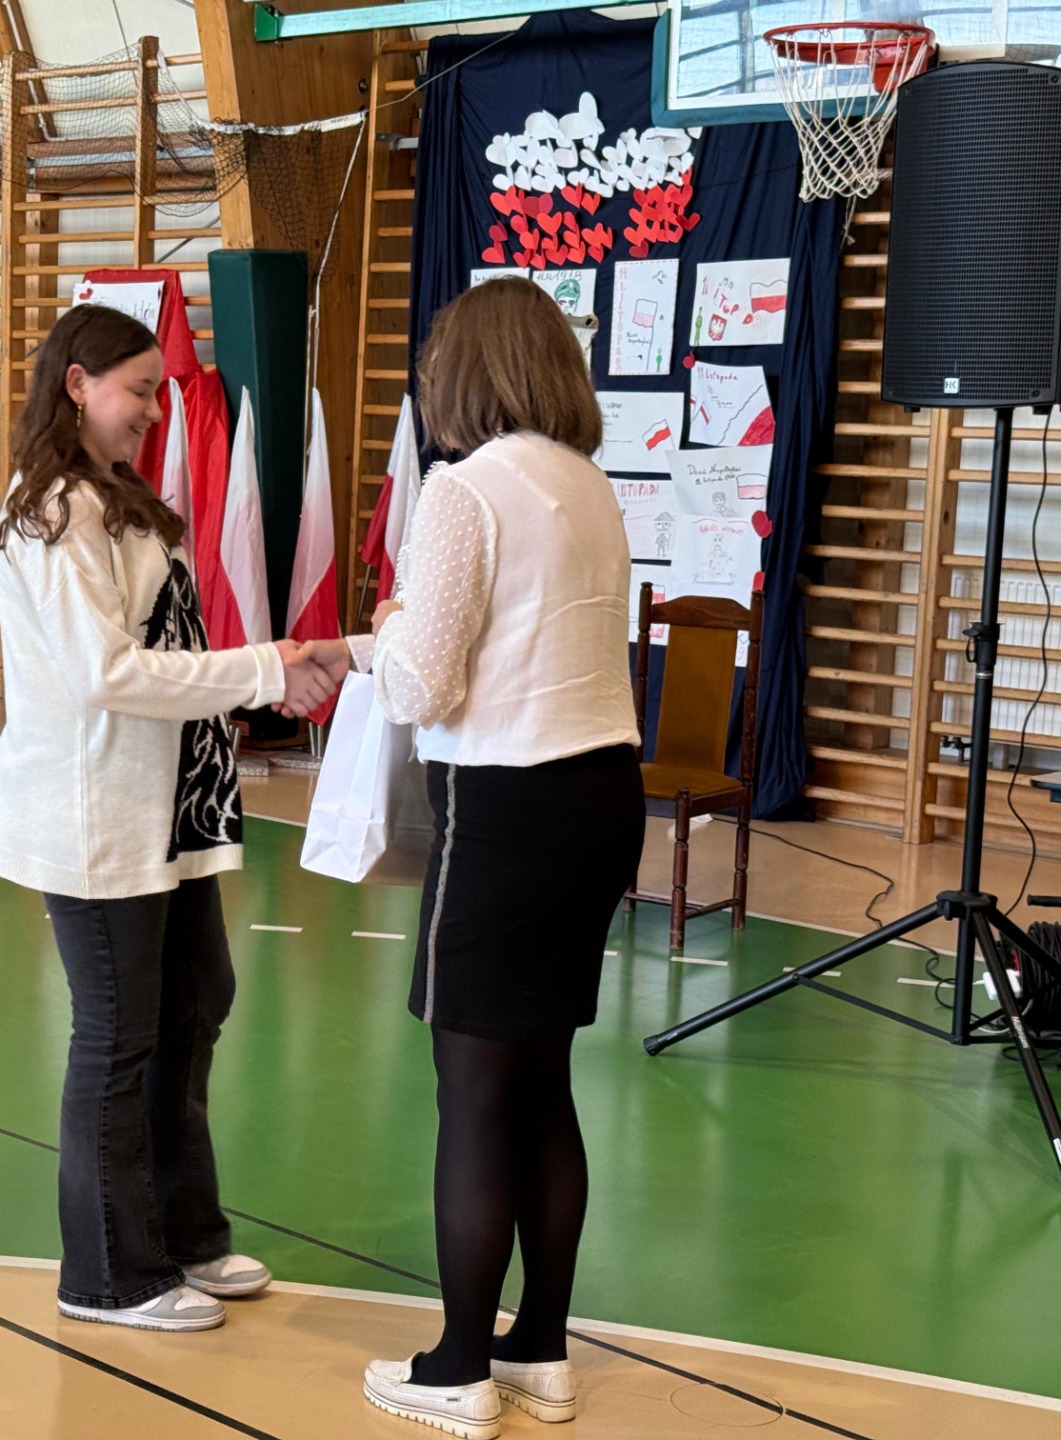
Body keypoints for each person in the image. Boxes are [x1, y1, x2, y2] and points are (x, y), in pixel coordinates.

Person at [308, 277, 645, 1438]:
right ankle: (539, 1345)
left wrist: (389, 625)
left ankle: (457, 1362)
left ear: (464, 371)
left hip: (504, 805)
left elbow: (420, 684)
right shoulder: (588, 484)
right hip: (601, 795)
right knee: (542, 1079)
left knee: (474, 1092)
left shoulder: (464, 489)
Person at [0, 303, 341, 1334]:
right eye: (138, 390)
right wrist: (268, 668)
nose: (153, 408)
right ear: (77, 385)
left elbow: (175, 640)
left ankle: (187, 1234)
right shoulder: (52, 509)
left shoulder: (118, 498)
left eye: (157, 390)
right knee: (117, 1037)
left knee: (194, 1006)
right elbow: (107, 673)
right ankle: (106, 1274)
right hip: (97, 814)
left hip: (170, 812)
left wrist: (275, 670)